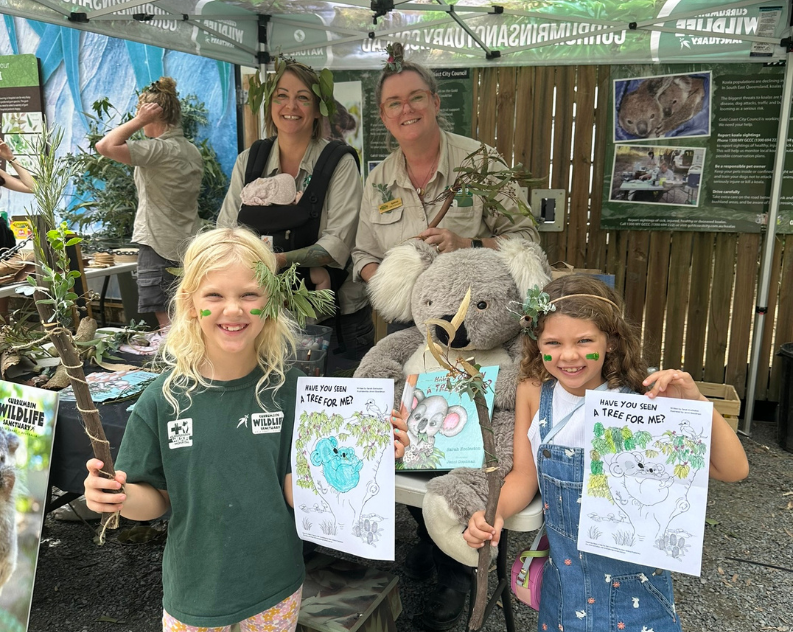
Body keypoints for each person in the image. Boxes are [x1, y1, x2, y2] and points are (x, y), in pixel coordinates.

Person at [83, 226, 410, 631]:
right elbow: (157, 500)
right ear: (188, 304)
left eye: (249, 295)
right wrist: (117, 498)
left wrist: (373, 454)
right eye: (215, 295)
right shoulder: (162, 400)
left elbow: (298, 490)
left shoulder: (292, 394)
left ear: (270, 303)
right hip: (194, 592)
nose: (233, 309)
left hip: (275, 587)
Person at [464, 275, 749, 632]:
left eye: (585, 341)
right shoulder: (534, 391)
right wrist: (495, 513)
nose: (569, 355)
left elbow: (732, 468)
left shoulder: (644, 402)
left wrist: (695, 401)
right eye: (554, 342)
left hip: (638, 595)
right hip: (563, 591)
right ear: (538, 344)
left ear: (611, 341)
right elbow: (524, 474)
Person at [352, 42, 539, 332]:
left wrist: (467, 245)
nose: (406, 109)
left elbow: (526, 237)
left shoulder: (481, 162)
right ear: (384, 115)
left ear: (435, 103)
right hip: (406, 323)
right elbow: (363, 254)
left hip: (478, 318)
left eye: (417, 97)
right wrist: (392, 287)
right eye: (394, 103)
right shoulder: (378, 181)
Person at [217, 58, 372, 372]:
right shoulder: (250, 161)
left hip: (332, 324)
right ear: (270, 104)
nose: (291, 106)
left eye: (303, 98)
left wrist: (278, 261)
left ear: (317, 109)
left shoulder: (338, 163)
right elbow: (225, 233)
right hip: (262, 321)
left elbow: (335, 244)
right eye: (281, 96)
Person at [96, 77, 203, 328]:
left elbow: (105, 146)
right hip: (188, 243)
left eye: (139, 112)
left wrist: (138, 121)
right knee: (188, 316)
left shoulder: (159, 150)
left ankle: (177, 366)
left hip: (158, 244)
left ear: (152, 115)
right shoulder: (190, 150)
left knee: (167, 323)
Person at [0, 139, 36, 318]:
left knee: (3, 287)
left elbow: (33, 187)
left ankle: (4, 333)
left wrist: (10, 157)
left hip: (0, 233)